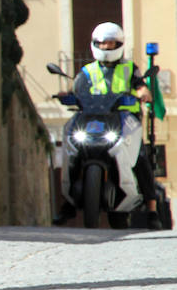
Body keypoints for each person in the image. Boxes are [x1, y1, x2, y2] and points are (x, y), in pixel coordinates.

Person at [66, 22, 161, 230]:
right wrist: (67, 95)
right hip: (93, 118)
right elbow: (76, 88)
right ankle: (68, 202)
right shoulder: (87, 71)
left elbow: (140, 85)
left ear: (119, 44)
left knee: (140, 158)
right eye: (103, 43)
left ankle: (152, 209)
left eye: (111, 43)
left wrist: (143, 92)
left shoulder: (129, 68)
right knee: (73, 151)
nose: (107, 47)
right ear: (95, 44)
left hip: (125, 120)